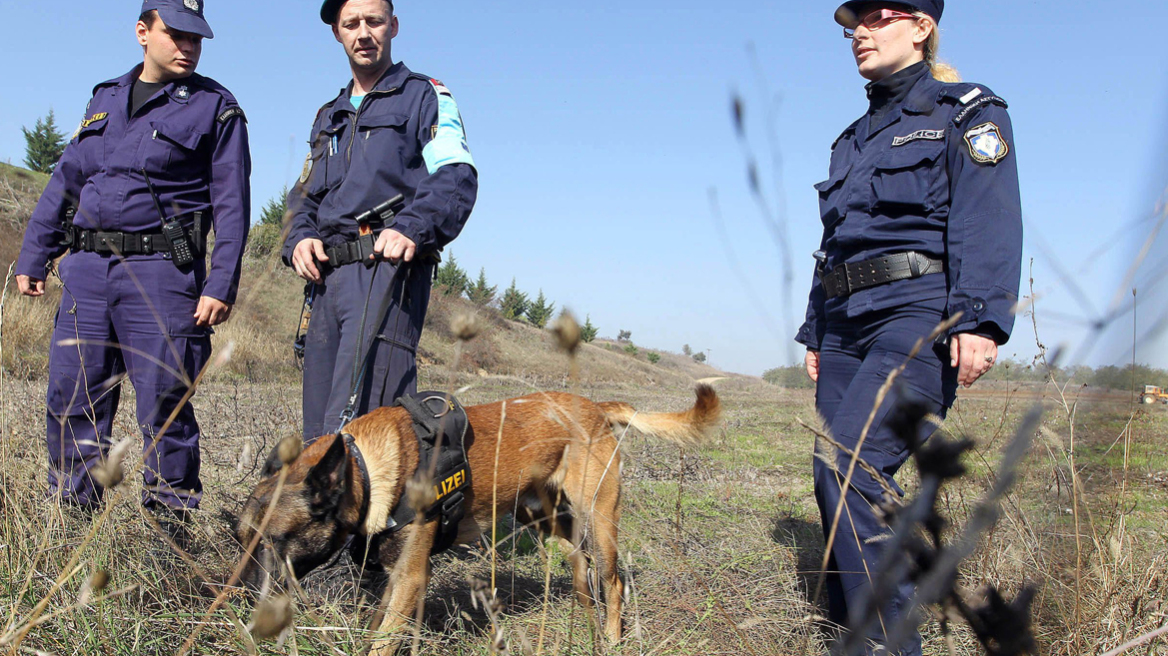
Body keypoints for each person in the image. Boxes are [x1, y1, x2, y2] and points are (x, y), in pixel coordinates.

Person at [795, 1, 1022, 653]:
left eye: (879, 16)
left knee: (852, 468)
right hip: (844, 325)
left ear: (922, 26)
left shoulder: (968, 111)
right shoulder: (851, 139)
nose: (860, 31)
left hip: (920, 313)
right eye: (854, 22)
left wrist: (980, 319)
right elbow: (835, 241)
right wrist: (816, 329)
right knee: (830, 471)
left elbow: (989, 217)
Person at [15, 0, 250, 532]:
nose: (188, 47)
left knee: (164, 403)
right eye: (177, 35)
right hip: (88, 271)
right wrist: (35, 254)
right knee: (72, 394)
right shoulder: (105, 99)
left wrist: (220, 282)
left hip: (163, 275)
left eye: (197, 39)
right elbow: (66, 180)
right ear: (143, 33)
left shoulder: (215, 107)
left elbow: (232, 202)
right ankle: (72, 522)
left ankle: (170, 533)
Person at [283, 0, 478, 441]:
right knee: (320, 436)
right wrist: (298, 238)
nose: (363, 32)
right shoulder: (327, 116)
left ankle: (392, 512)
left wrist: (412, 226)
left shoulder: (425, 96)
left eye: (373, 21)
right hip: (326, 281)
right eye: (351, 23)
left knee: (366, 429)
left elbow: (455, 174)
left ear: (393, 25)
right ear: (337, 33)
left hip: (385, 274)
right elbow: (303, 196)